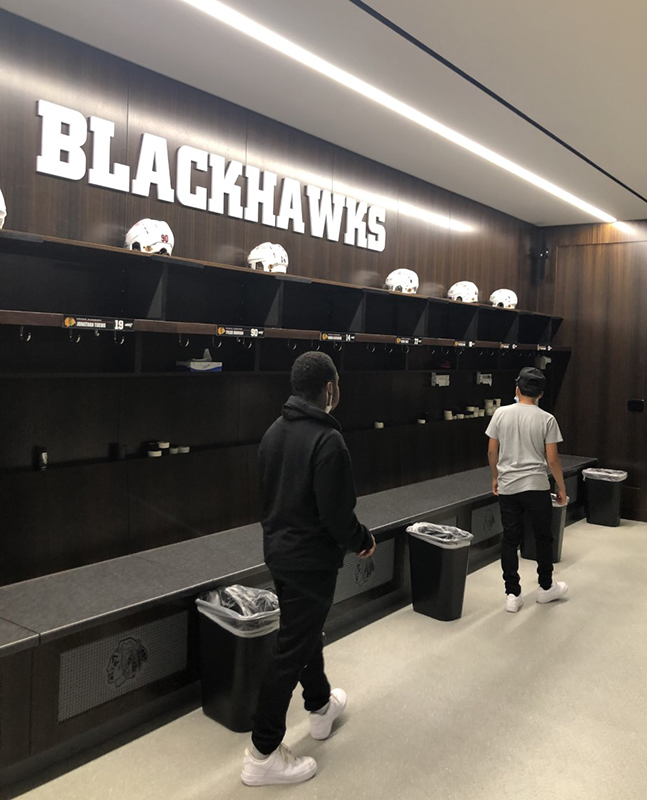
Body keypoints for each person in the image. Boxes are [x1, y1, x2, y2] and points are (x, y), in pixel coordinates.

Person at [241, 351, 376, 787]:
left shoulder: (273, 432)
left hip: (279, 553)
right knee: (291, 648)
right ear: (330, 388)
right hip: (310, 561)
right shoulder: (328, 441)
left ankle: (320, 707)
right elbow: (337, 515)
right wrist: (363, 541)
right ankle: (262, 754)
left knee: (303, 633)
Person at [486, 367, 568, 613]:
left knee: (510, 539)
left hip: (509, 486)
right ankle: (545, 587)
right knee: (543, 536)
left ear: (517, 389)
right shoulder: (547, 419)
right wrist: (561, 487)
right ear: (540, 394)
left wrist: (495, 477)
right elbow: (552, 459)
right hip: (536, 486)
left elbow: (492, 451)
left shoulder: (501, 414)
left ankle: (513, 594)